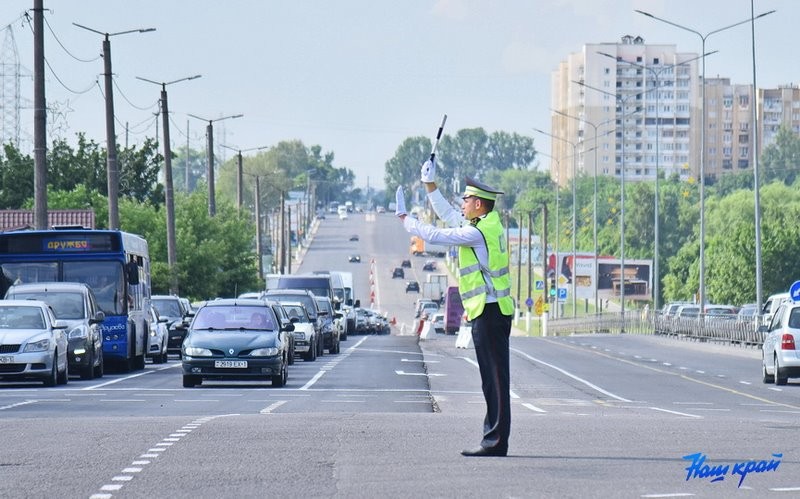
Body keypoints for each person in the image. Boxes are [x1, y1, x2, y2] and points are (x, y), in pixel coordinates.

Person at [396, 158, 513, 457]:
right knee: (492, 379)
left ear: (479, 204)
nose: (462, 203)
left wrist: (406, 220)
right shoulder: (485, 225)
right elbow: (447, 215)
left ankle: (496, 442)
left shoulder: (476, 233)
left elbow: (437, 235)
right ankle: (494, 439)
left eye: (466, 199)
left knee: (495, 380)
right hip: (489, 310)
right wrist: (429, 185)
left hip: (490, 311)